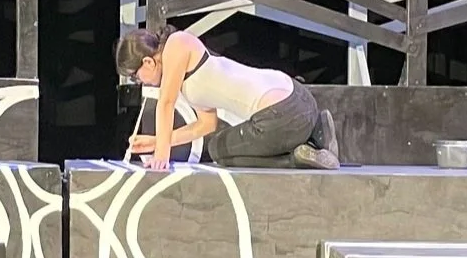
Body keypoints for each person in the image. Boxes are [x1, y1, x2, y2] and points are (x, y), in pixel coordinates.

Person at [114, 27, 339, 171]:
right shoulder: (186, 71)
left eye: (135, 76)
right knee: (219, 142)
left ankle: (296, 157)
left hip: (281, 116)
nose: (139, 82)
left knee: (219, 151)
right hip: (299, 100)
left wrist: (160, 157)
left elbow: (165, 103)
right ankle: (317, 133)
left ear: (148, 62)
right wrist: (156, 142)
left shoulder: (176, 44)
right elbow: (206, 125)